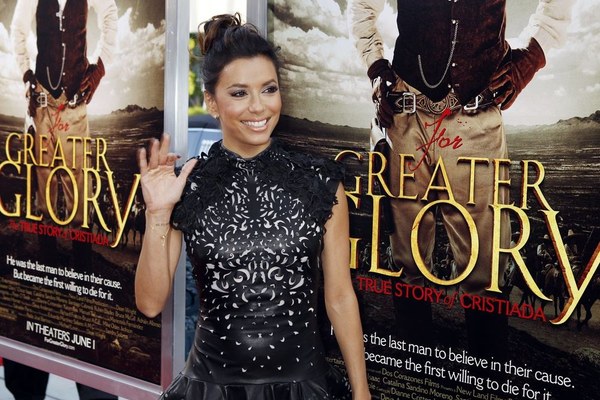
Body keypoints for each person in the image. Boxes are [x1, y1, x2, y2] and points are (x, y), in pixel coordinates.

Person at [135, 13, 371, 400]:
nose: (259, 107)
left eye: (268, 89)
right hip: (210, 390)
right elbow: (149, 303)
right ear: (211, 102)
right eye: (239, 93)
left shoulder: (320, 182)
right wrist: (158, 215)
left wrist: (361, 392)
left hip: (305, 389)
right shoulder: (188, 187)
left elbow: (340, 297)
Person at [350, 0, 573, 357]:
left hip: (478, 117)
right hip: (405, 116)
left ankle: (488, 378)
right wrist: (376, 67)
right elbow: (362, 4)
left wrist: (532, 56)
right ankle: (414, 372)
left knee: (485, 271)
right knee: (407, 262)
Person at [7, 1, 118, 399]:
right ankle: (47, 284)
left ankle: (84, 289)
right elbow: (18, 29)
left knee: (79, 196)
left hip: (74, 107)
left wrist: (99, 69)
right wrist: (26, 74)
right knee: (43, 196)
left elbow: (110, 15)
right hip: (42, 105)